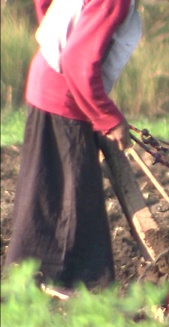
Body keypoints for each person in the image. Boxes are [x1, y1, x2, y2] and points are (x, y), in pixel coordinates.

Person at [4, 0, 142, 291]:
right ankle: (70, 288)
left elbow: (44, 5)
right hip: (64, 99)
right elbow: (78, 60)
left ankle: (30, 281)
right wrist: (107, 116)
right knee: (71, 204)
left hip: (51, 88)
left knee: (49, 194)